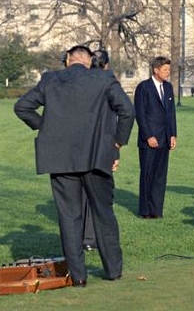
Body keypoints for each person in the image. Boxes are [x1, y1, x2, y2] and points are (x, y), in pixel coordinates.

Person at [14, 45, 135, 287]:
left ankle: (78, 276)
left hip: (61, 159)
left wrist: (45, 126)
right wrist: (117, 143)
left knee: (69, 217)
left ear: (67, 60)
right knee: (103, 213)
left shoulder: (50, 79)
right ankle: (113, 271)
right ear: (89, 61)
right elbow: (127, 111)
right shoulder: (104, 79)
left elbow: (22, 107)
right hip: (96, 157)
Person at [82, 48, 116, 251]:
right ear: (107, 65)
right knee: (101, 196)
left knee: (83, 195)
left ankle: (85, 237)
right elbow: (115, 120)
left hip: (79, 147)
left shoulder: (80, 83)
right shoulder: (108, 84)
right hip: (100, 147)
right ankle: (94, 238)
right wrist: (115, 151)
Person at [134, 56, 177, 219]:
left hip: (165, 140)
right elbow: (140, 114)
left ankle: (156, 211)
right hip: (149, 141)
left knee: (160, 176)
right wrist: (148, 136)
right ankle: (145, 211)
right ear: (156, 70)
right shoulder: (143, 87)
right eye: (165, 69)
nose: (168, 72)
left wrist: (173, 134)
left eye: (169, 69)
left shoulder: (168, 88)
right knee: (147, 175)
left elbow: (171, 113)